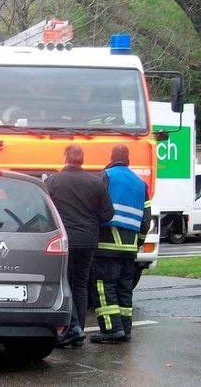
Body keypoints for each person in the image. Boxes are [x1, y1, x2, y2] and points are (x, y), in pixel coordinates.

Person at [46, 145, 114, 347]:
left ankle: (71, 329)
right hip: (88, 240)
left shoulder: (52, 181)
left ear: (65, 157)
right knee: (81, 285)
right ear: (82, 160)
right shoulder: (96, 183)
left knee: (64, 282)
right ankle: (79, 331)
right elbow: (107, 213)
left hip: (64, 240)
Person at [90, 144, 151, 343]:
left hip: (107, 243)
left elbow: (95, 207)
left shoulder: (106, 176)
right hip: (129, 247)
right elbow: (146, 219)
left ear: (112, 157)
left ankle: (110, 329)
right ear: (128, 159)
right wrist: (138, 243)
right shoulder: (141, 183)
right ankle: (125, 329)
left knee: (103, 286)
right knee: (124, 289)